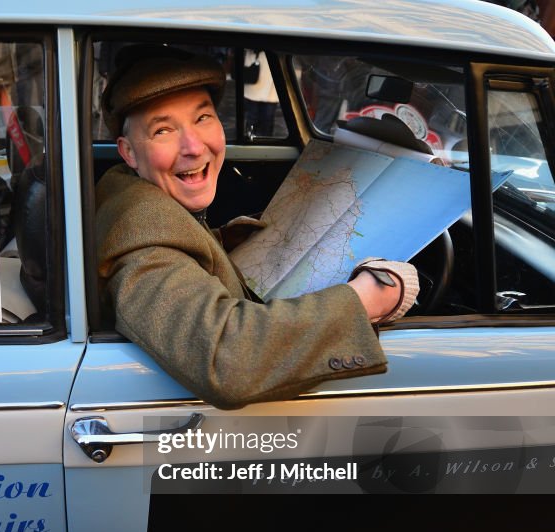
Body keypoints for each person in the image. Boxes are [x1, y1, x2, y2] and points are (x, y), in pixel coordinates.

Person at [97, 45, 418, 409]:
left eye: (202, 118)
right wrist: (367, 300)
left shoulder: (127, 194)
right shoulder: (142, 245)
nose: (193, 146)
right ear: (128, 152)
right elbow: (226, 359)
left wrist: (220, 242)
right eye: (163, 130)